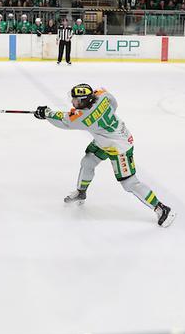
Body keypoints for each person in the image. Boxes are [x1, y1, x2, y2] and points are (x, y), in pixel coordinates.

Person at [33, 84, 176, 227]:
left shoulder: (83, 116)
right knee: (87, 162)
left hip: (118, 146)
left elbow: (64, 121)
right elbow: (114, 102)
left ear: (84, 101)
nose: (73, 102)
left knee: (129, 183)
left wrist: (46, 113)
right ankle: (81, 192)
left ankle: (162, 208)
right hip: (107, 138)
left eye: (76, 100)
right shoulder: (100, 95)